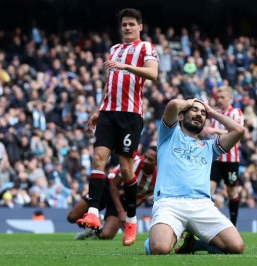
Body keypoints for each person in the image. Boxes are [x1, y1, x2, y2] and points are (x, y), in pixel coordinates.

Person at [76, 8, 159, 246]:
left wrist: (124, 66)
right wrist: (98, 109)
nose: (127, 28)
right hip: (108, 113)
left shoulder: (146, 48)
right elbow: (110, 83)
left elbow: (152, 74)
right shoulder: (115, 49)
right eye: (124, 24)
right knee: (98, 159)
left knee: (125, 169)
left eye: (132, 24)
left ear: (140, 27)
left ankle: (131, 220)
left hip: (130, 116)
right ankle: (93, 211)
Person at [144, 98, 245, 255]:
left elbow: (239, 131)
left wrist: (212, 113)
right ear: (181, 116)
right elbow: (173, 105)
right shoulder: (169, 135)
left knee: (237, 247)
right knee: (159, 249)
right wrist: (191, 102)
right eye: (195, 110)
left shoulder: (209, 147)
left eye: (203, 113)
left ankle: (194, 244)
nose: (200, 114)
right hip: (170, 204)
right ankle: (167, 235)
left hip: (202, 205)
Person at [69, 146, 158, 240]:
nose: (145, 160)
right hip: (108, 187)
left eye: (150, 159)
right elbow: (114, 185)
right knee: (72, 217)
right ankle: (97, 218)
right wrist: (121, 212)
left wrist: (127, 213)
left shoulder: (157, 179)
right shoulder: (133, 161)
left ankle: (95, 229)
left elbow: (138, 199)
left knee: (106, 235)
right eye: (145, 156)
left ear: (157, 162)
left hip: (124, 200)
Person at [205, 85, 244, 226]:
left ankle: (233, 224)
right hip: (215, 158)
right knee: (208, 189)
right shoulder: (216, 114)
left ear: (230, 98)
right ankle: (206, 222)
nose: (219, 100)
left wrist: (214, 129)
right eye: (218, 97)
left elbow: (238, 133)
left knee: (231, 191)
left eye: (222, 97)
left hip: (231, 160)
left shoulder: (237, 113)